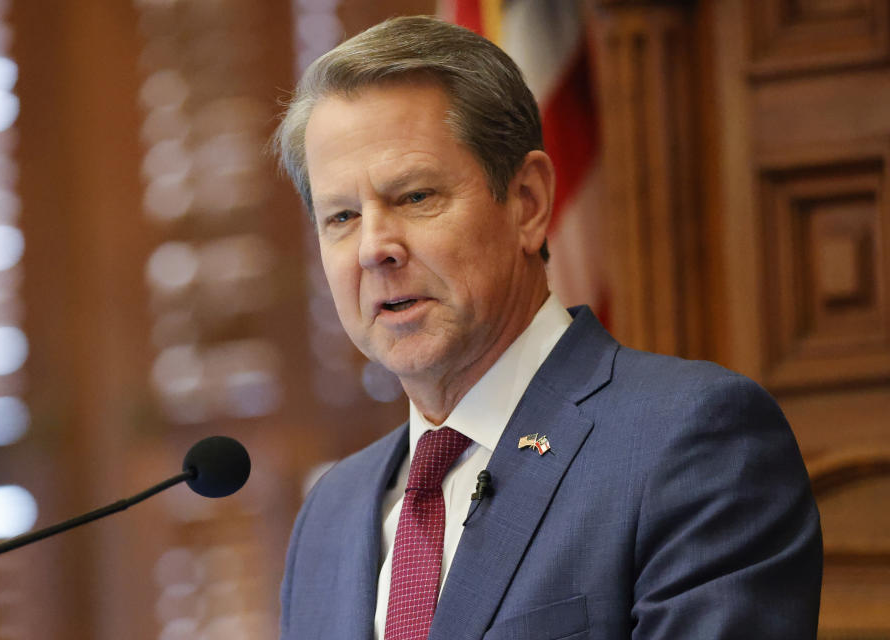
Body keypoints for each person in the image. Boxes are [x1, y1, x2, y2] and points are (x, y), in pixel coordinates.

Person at [272, 15, 822, 640]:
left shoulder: (692, 442)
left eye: (415, 196)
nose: (375, 247)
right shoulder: (329, 515)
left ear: (528, 203)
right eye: (341, 216)